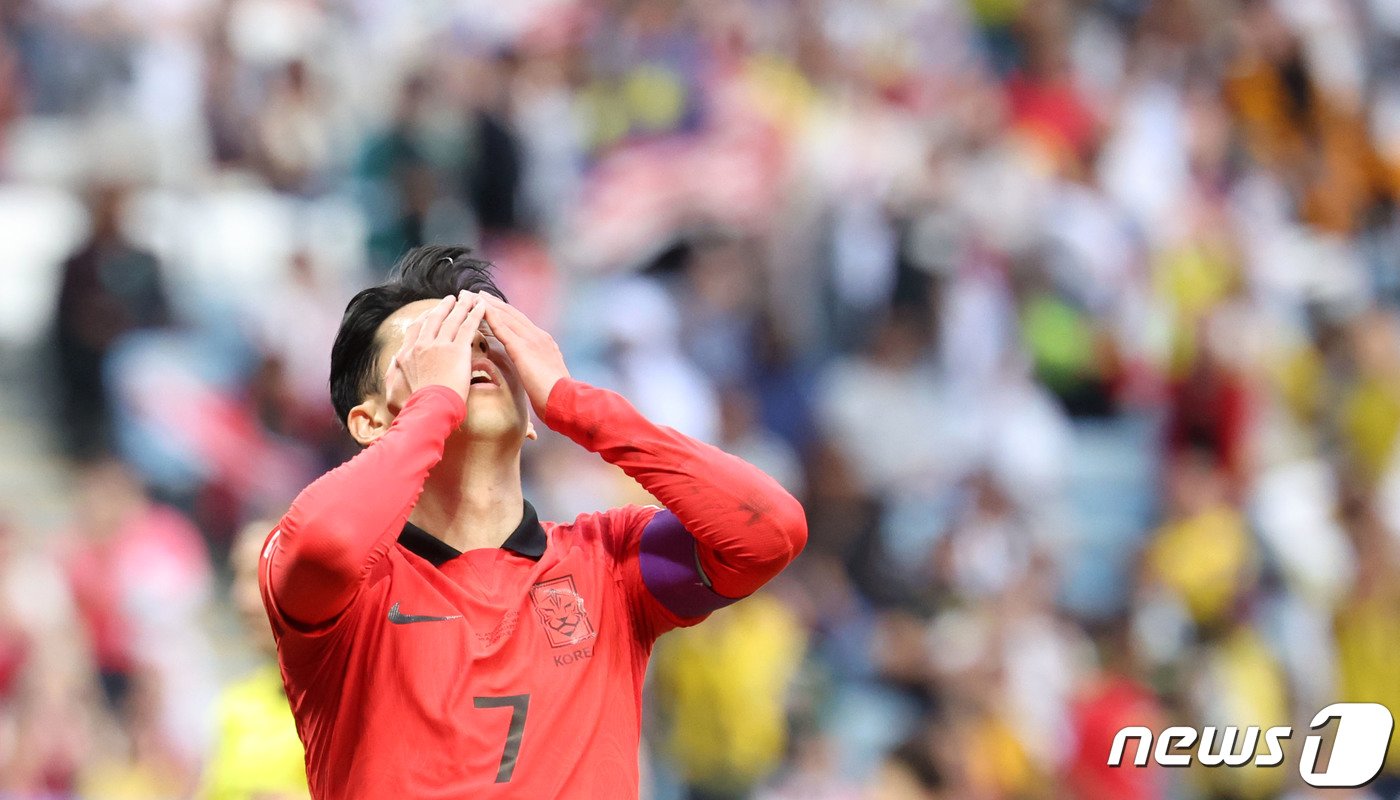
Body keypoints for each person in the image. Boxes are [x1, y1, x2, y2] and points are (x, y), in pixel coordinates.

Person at [259, 246, 807, 798]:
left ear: (530, 420)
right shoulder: (347, 581)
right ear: (371, 422)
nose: (464, 355)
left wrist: (577, 405)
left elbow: (770, 533)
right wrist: (434, 405)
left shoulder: (610, 562)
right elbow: (326, 543)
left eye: (482, 340)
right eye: (430, 346)